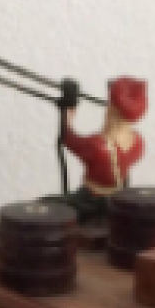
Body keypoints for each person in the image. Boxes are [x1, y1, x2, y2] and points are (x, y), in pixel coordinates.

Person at [55, 77, 148, 223]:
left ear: (112, 112)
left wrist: (68, 109)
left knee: (46, 205)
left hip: (89, 201)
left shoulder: (98, 146)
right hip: (117, 200)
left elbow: (68, 139)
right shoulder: (138, 142)